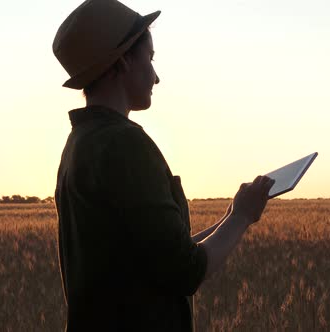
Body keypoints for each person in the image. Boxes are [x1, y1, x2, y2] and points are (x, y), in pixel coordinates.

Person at [52, 0, 275, 331]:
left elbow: (154, 256)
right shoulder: (123, 145)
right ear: (125, 60)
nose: (156, 77)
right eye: (150, 58)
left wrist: (231, 215)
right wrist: (242, 217)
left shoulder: (80, 144)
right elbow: (185, 271)